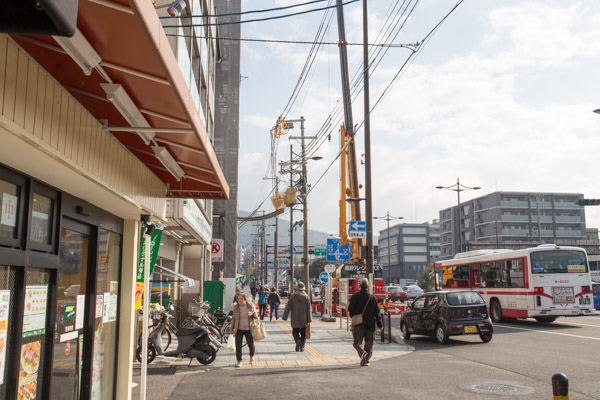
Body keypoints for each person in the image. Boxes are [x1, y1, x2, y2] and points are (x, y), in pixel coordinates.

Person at [348, 278, 383, 366]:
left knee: (357, 342)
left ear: (360, 286)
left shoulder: (355, 296)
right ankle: (365, 360)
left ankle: (362, 353)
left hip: (359, 323)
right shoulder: (373, 298)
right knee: (369, 342)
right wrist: (380, 325)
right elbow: (377, 313)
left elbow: (350, 309)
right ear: (368, 286)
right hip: (370, 323)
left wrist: (354, 316)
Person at [282, 281, 312, 352]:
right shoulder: (307, 297)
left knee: (295, 331)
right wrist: (309, 319)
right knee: (303, 333)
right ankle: (302, 346)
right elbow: (309, 309)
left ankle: (297, 340)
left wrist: (285, 316)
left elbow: (288, 307)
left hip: (295, 317)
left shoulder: (293, 296)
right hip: (304, 318)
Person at [231, 292, 257, 367]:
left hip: (249, 328)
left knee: (250, 345)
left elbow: (255, 316)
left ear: (245, 299)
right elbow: (234, 319)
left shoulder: (250, 306)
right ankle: (239, 360)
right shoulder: (236, 307)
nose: (240, 300)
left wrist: (255, 315)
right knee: (238, 345)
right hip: (239, 329)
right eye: (238, 299)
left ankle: (251, 356)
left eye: (241, 298)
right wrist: (231, 328)